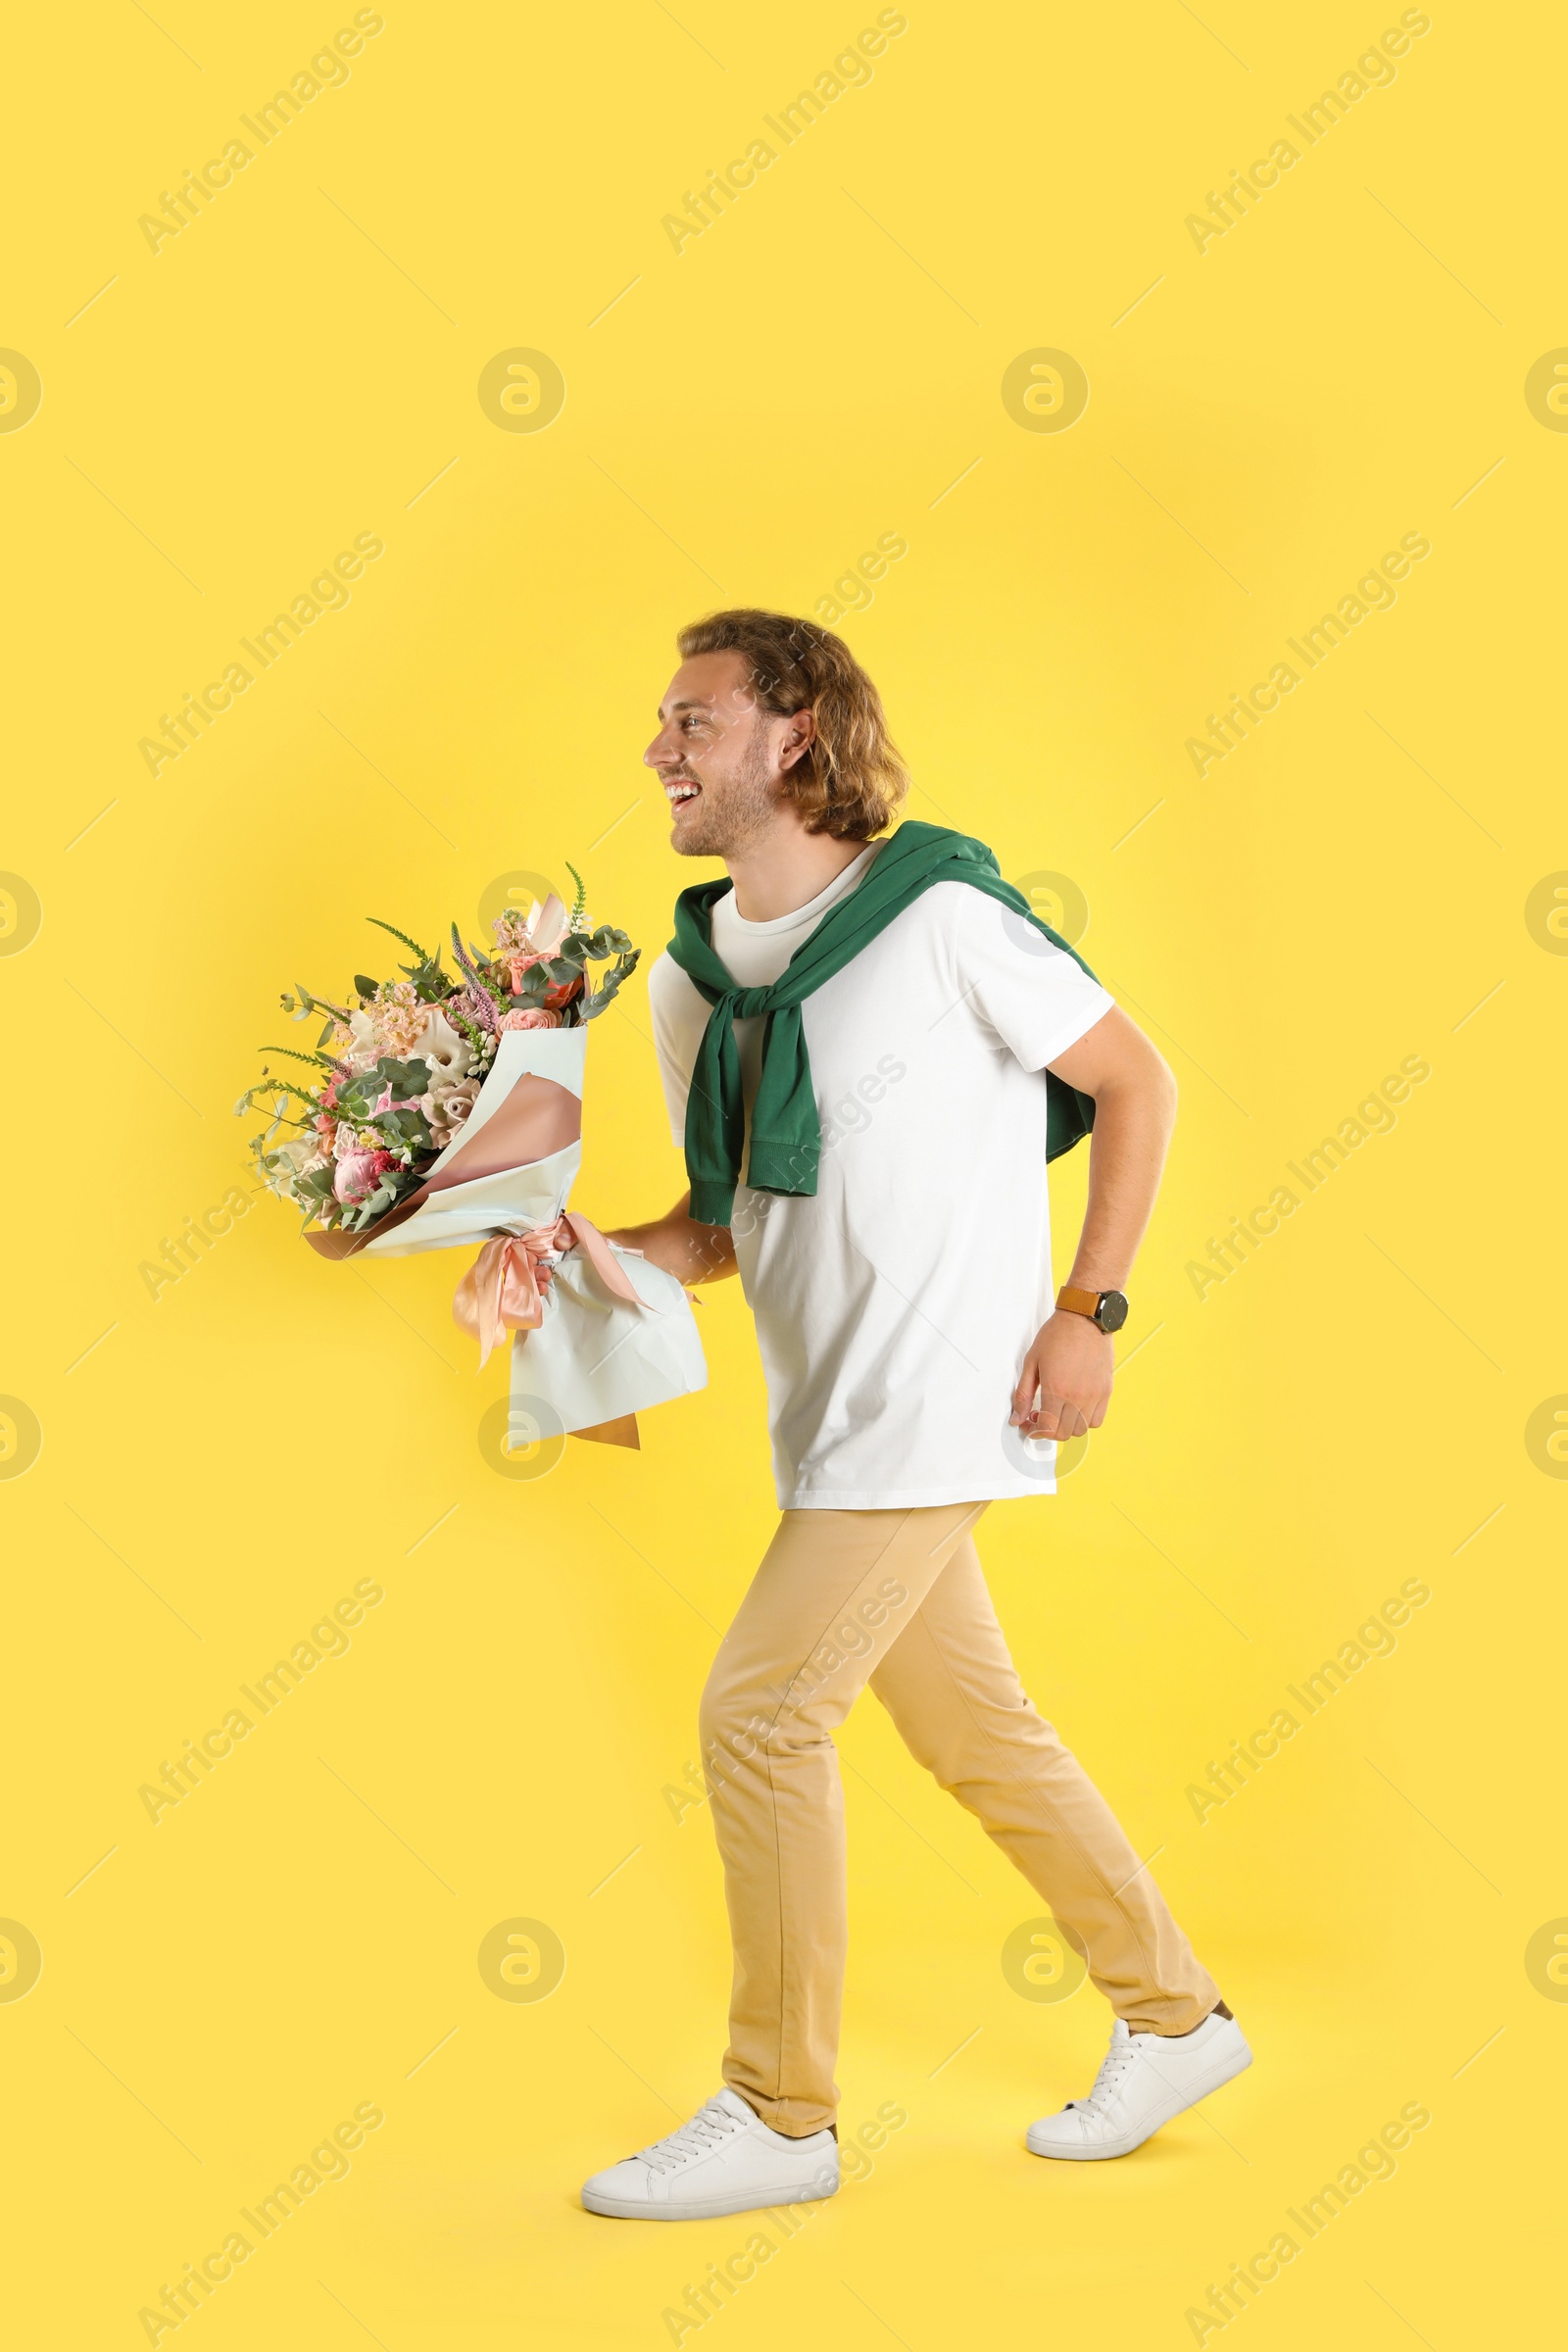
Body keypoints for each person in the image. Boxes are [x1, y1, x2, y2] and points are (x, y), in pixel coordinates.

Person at [580, 610, 1250, 2222]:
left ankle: (780, 2114)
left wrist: (1087, 1309)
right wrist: (581, 1255)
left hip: (953, 1391)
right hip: (827, 1413)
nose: (659, 748)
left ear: (792, 735)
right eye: (660, 724)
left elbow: (1140, 1080)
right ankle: (1176, 2018)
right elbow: (724, 1225)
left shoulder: (942, 912)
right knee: (973, 1730)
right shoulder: (689, 986)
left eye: (694, 719)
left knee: (759, 1714)